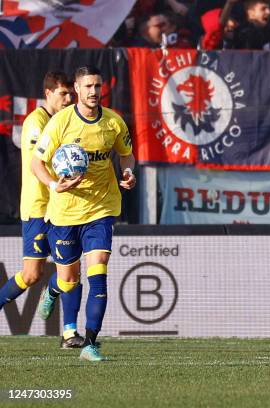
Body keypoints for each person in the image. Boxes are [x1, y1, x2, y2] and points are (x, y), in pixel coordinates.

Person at [31, 66, 136, 362]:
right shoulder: (60, 123)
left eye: (97, 86)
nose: (93, 91)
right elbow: (36, 163)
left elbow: (126, 153)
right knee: (68, 278)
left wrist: (127, 171)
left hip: (102, 207)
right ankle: (53, 290)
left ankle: (90, 343)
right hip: (64, 212)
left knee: (99, 268)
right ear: (77, 88)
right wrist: (54, 185)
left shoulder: (114, 122)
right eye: (88, 86)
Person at [0, 71, 86, 349]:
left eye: (70, 94)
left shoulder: (64, 122)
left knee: (70, 271)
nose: (68, 98)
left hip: (63, 208)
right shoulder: (35, 122)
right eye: (63, 93)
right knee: (31, 275)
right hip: (38, 207)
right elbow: (44, 163)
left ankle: (70, 333)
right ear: (47, 93)